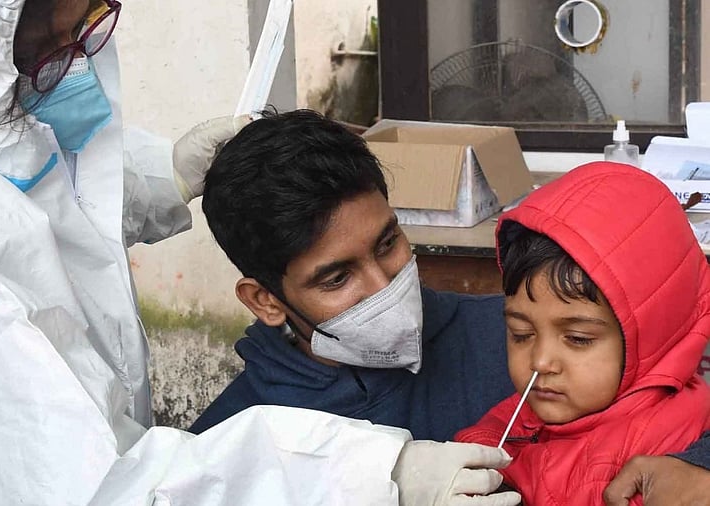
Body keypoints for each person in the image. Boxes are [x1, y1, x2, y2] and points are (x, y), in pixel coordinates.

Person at [0, 1, 521, 505]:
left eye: (88, 18)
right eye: (335, 276)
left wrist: (167, 179)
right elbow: (95, 487)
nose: (76, 46)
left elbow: (48, 193)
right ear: (264, 298)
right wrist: (381, 476)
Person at [194, 110, 710, 504]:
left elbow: (674, 387)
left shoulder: (510, 333)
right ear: (265, 300)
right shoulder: (233, 443)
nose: (384, 285)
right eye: (338, 277)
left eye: (387, 243)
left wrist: (697, 470)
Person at [455, 161, 710, 504]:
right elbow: (491, 437)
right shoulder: (527, 410)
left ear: (651, 337)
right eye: (520, 333)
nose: (541, 362)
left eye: (578, 339)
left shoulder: (666, 461)